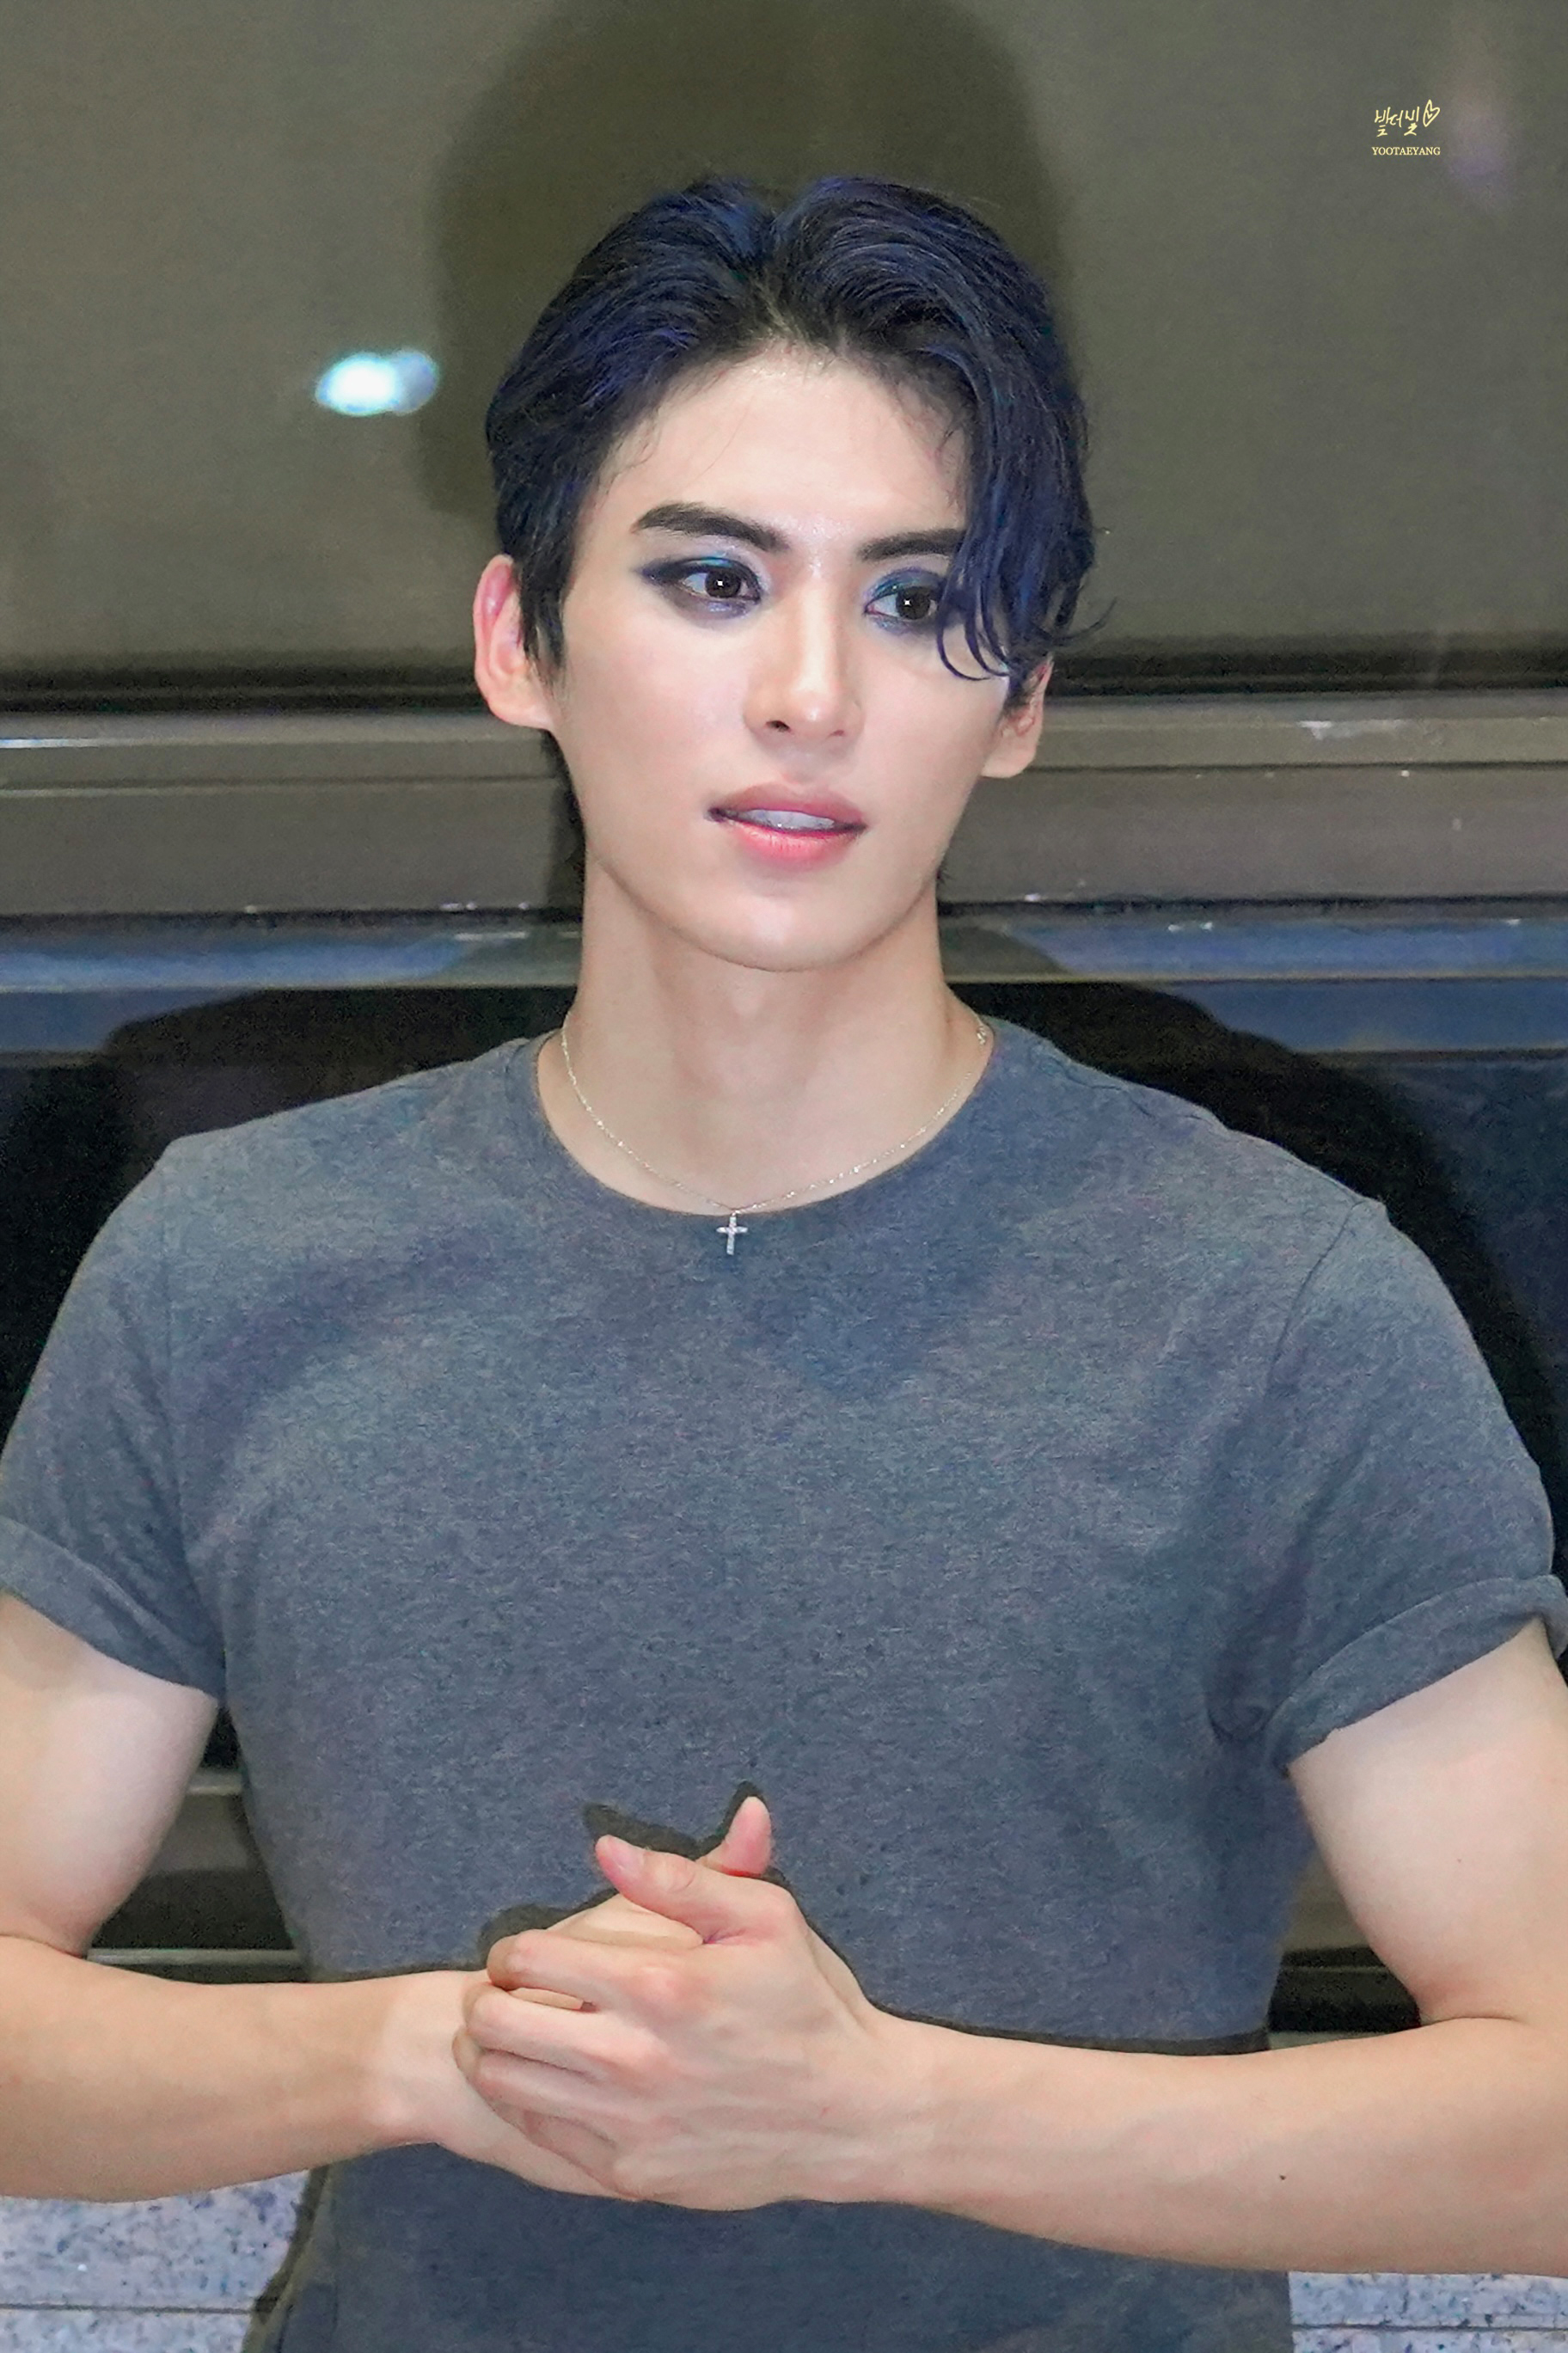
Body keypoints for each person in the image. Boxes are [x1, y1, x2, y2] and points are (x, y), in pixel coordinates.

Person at [2, 173, 1567, 2353]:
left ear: (1017, 698)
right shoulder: (230, 1270)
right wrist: (448, 2050)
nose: (812, 692)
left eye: (920, 602)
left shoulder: (1275, 1307)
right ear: (518, 639)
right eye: (713, 580)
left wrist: (873, 2110)